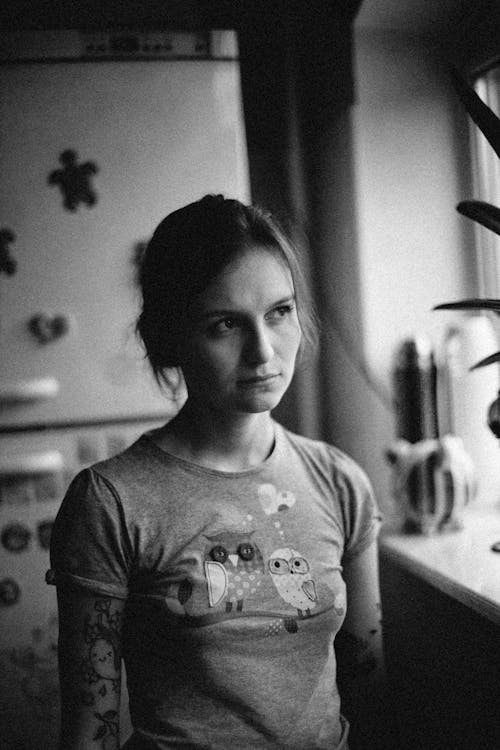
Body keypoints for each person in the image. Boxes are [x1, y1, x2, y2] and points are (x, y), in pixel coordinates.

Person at [47, 194, 385, 750]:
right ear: (169, 339)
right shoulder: (110, 501)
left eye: (279, 312)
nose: (263, 351)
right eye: (225, 323)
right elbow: (90, 733)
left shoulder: (339, 480)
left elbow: (368, 688)